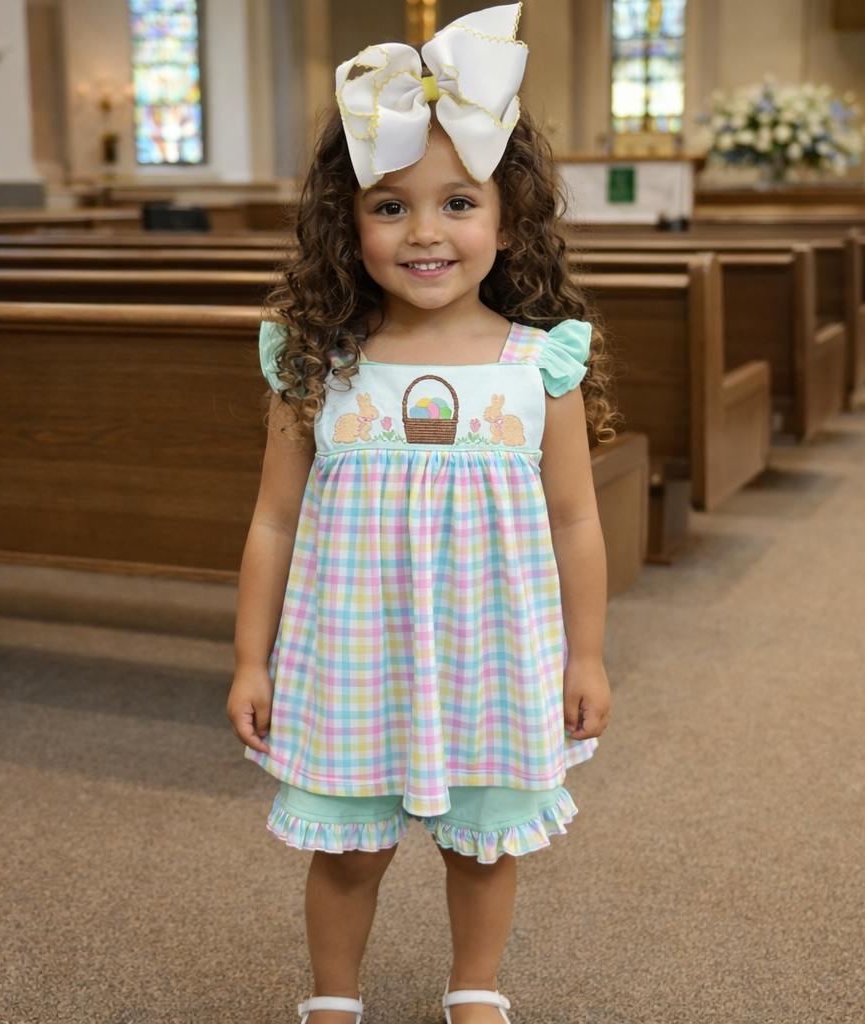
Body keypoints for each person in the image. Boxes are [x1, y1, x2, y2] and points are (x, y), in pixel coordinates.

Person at [227, 6, 616, 1022]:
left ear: (510, 219)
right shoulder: (318, 361)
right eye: (390, 207)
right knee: (348, 846)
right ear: (346, 226)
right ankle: (333, 997)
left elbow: (576, 521)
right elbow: (272, 522)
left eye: (457, 202)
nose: (427, 232)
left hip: (494, 647)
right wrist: (249, 659)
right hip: (351, 650)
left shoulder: (541, 364)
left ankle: (474, 986)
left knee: (481, 840)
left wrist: (585, 655)